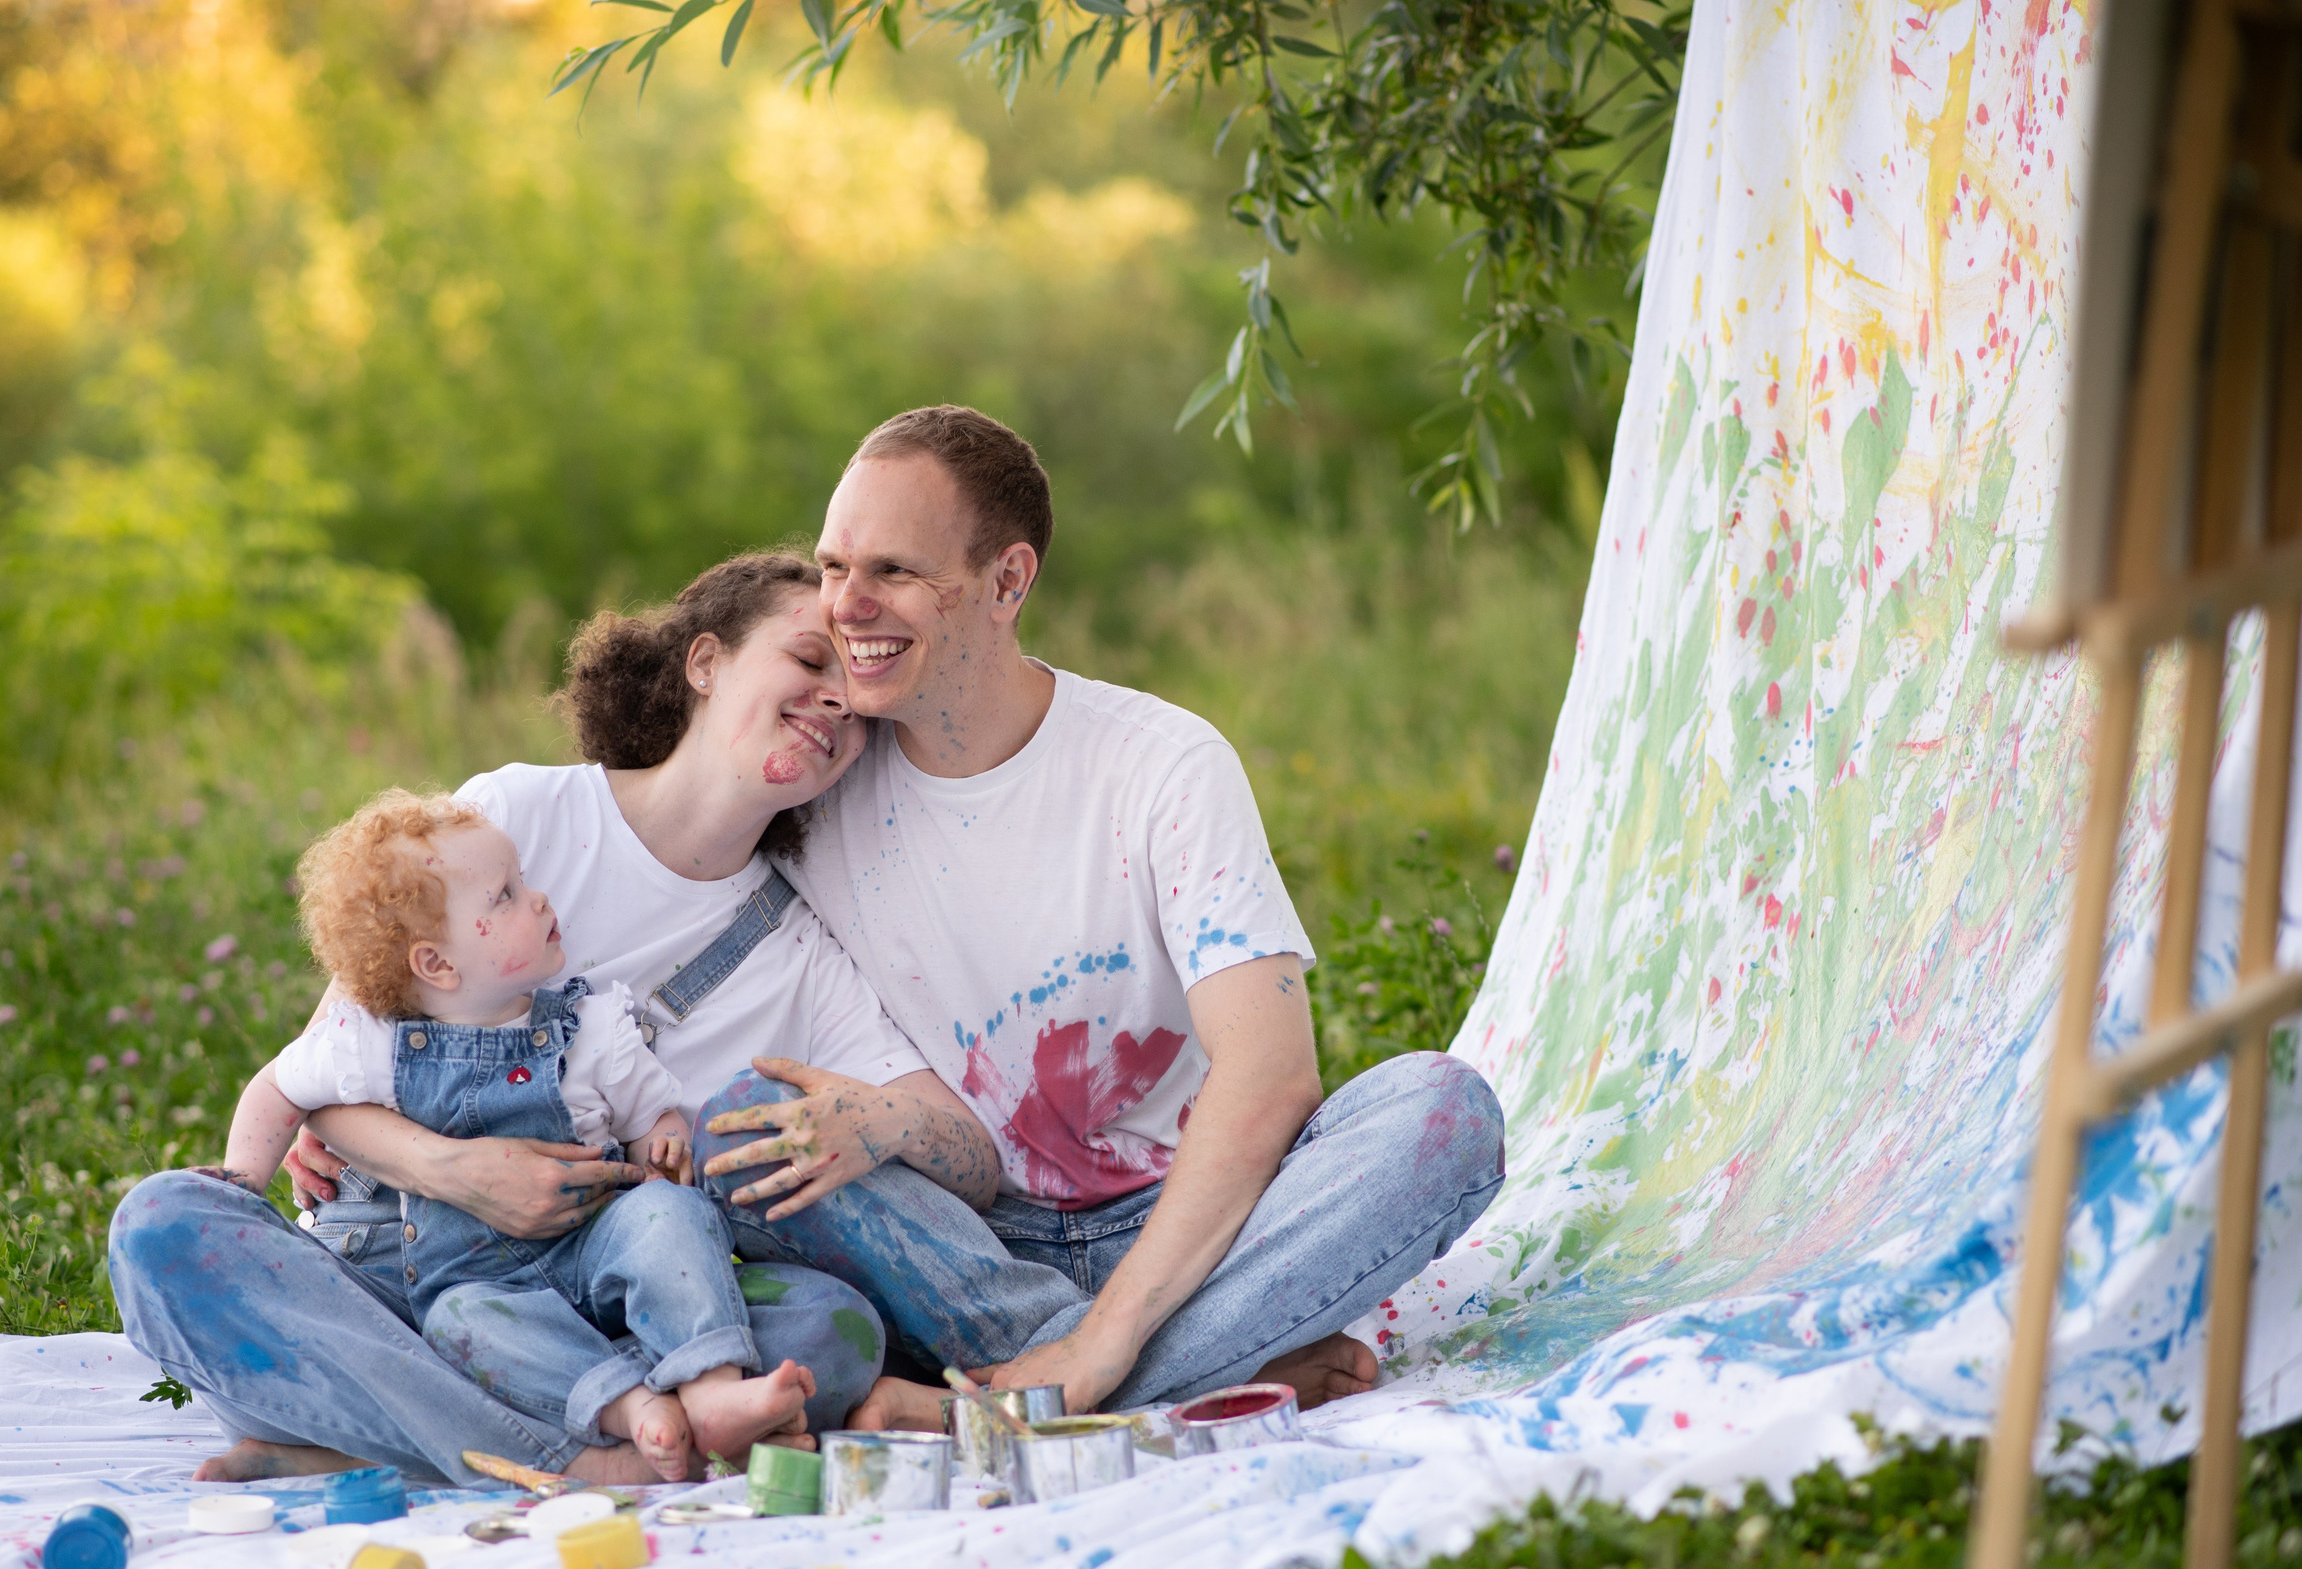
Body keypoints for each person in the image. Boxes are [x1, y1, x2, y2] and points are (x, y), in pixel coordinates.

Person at [109, 554, 1006, 1484]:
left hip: (591, 1307)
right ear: (705, 661)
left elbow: (971, 1161)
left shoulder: (799, 949)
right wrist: (457, 1169)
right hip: (385, 1277)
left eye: (854, 703)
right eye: (809, 661)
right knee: (161, 1224)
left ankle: (380, 1440)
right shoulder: (512, 816)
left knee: (832, 1328)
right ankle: (570, 1459)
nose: (833, 702)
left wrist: (883, 1120)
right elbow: (333, 1076)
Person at [693, 406, 1509, 1421]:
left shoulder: (1159, 763)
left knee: (1444, 1112)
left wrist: (1104, 1336)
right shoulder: (816, 784)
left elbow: (1270, 1076)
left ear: (1007, 581)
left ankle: (1033, 1397)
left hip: (1197, 1219)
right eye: (830, 567)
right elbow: (649, 828)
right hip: (967, 1246)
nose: (845, 606)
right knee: (738, 1127)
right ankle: (1214, 1358)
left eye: (892, 572)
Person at [210, 788, 814, 1481]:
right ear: (437, 964)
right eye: (504, 896)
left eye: (522, 882)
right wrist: (239, 1192)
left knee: (672, 1213)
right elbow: (275, 1090)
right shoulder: (372, 1043)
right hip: (480, 1284)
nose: (539, 900)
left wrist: (665, 1145)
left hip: (593, 1252)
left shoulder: (588, 1027)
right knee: (461, 1323)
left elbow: (653, 1117)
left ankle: (710, 1389)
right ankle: (630, 1408)